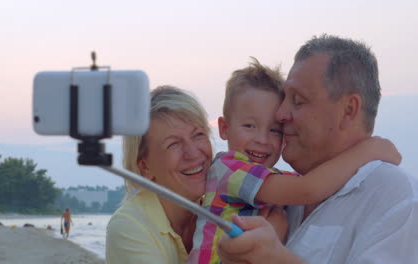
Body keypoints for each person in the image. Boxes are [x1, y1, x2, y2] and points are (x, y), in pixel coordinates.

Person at [218, 34, 418, 263]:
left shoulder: (399, 200)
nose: (281, 114)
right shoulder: (279, 200)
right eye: (284, 99)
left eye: (298, 100)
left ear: (349, 110)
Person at [106, 86, 213, 263]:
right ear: (144, 167)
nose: (193, 153)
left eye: (198, 135)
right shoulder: (129, 226)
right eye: (173, 144)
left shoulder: (221, 210)